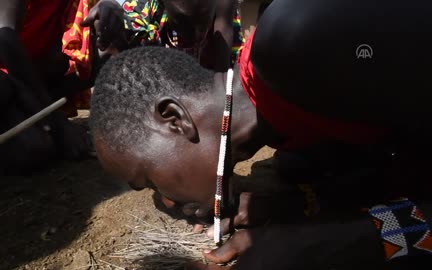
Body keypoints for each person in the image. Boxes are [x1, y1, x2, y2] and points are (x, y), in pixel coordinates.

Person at [90, 0, 432, 269]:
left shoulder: (299, 39)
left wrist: (326, 244)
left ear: (174, 119)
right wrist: (294, 205)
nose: (167, 201)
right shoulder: (298, 140)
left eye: (149, 180)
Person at [0, 0, 124, 171]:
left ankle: (30, 101)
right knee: (31, 150)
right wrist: (57, 122)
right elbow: (3, 34)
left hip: (29, 53)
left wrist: (107, 4)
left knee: (114, 46)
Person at [117, 0, 245, 72]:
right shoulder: (137, 15)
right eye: (184, 26)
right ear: (162, 5)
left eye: (203, 23)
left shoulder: (225, 9)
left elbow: (223, 78)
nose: (196, 36)